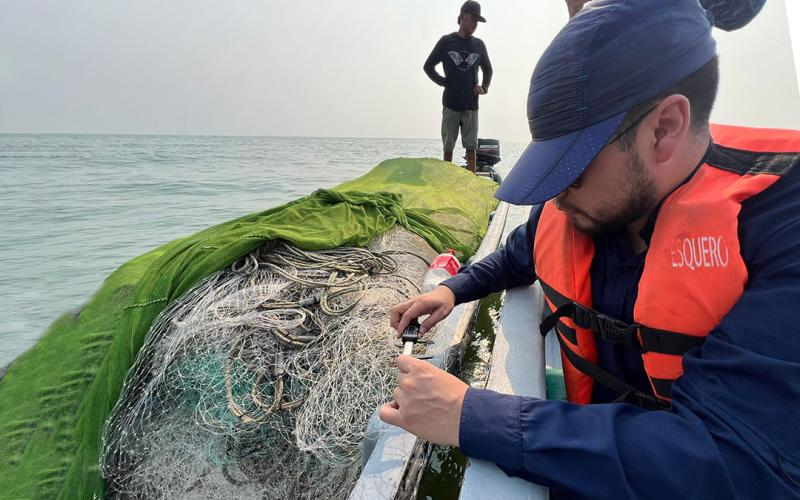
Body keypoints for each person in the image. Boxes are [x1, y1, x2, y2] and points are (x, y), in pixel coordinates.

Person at [384, 0, 800, 498]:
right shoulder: (584, 205)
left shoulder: (782, 223)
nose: (556, 196)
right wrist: (453, 290)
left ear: (664, 129)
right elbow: (521, 252)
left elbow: (737, 459)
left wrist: (471, 415)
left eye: (571, 169)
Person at [424, 1, 493, 173]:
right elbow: (428, 66)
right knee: (448, 147)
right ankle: (447, 176)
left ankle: (471, 177)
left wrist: (483, 87)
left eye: (477, 21)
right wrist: (443, 81)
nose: (475, 24)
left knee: (471, 146)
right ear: (462, 17)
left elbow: (488, 69)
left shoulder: (479, 44)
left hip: (471, 105)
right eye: (473, 20)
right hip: (450, 104)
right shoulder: (447, 42)